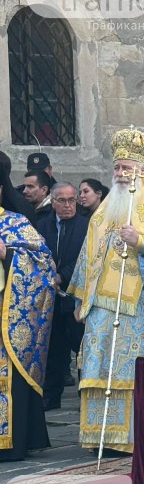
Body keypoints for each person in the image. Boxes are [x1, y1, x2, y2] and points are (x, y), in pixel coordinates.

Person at [69, 128, 144, 453]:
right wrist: (82, 298)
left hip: (142, 310)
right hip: (102, 312)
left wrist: (143, 242)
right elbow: (88, 254)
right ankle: (103, 437)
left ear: (143, 170)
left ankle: (139, 438)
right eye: (117, 167)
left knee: (135, 371)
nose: (121, 173)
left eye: (127, 168)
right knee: (100, 369)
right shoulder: (106, 209)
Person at [0, 193, 56, 461]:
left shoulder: (17, 224)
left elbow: (45, 266)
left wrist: (8, 254)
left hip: (6, 321)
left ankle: (8, 443)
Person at [36, 183, 89, 411]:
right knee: (54, 348)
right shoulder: (42, 225)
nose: (68, 205)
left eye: (71, 200)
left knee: (81, 347)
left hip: (75, 296)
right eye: (62, 200)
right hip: (51, 298)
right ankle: (52, 395)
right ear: (52, 201)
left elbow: (84, 258)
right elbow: (39, 254)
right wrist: (50, 275)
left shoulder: (86, 226)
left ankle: (85, 395)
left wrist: (62, 275)